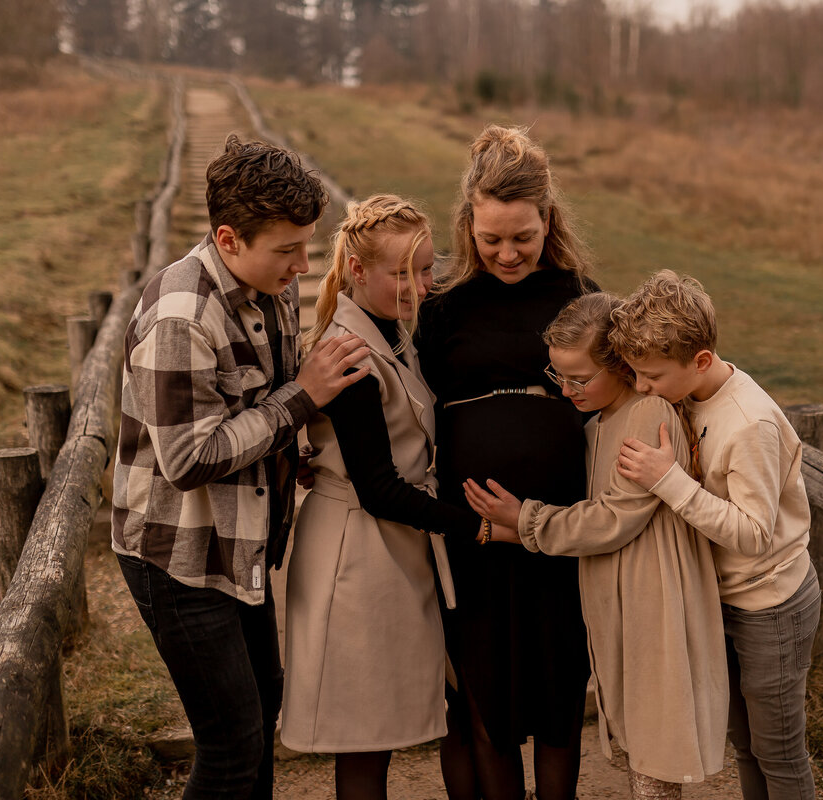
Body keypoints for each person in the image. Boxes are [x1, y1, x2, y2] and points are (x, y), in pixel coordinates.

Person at [111, 133, 371, 799]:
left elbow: (261, 404)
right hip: (180, 553)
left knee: (262, 712)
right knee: (231, 745)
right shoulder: (182, 315)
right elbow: (189, 458)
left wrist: (295, 448)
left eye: (306, 245)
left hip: (238, 539)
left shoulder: (268, 287)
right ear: (229, 241)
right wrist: (301, 400)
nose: (302, 264)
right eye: (287, 250)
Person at [461, 292, 729, 800]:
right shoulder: (598, 422)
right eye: (557, 376)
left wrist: (526, 520)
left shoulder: (647, 413)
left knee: (655, 751)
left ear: (623, 366)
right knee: (636, 743)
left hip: (654, 602)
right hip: (618, 603)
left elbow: (616, 518)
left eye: (579, 379)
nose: (565, 390)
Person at [281, 194, 489, 800]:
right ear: (355, 270)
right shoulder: (351, 355)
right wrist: (473, 525)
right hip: (356, 557)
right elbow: (377, 489)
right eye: (401, 272)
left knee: (410, 716)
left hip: (390, 551)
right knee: (365, 741)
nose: (419, 285)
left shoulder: (391, 332)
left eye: (425, 268)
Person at [413, 124, 598, 800]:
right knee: (484, 700)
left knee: (557, 698)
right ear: (468, 225)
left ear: (547, 220)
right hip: (477, 541)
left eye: (523, 236)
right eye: (491, 239)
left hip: (560, 534)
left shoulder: (581, 294)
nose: (508, 252)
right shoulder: (442, 306)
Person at [609, 270, 821, 800]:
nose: (642, 387)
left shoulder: (749, 424)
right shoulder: (691, 393)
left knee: (780, 754)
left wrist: (668, 481)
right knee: (745, 745)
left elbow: (753, 534)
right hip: (720, 599)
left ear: (700, 360)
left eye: (652, 376)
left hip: (769, 604)